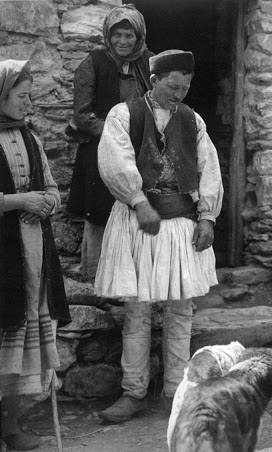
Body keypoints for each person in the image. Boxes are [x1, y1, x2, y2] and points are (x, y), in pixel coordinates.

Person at [95, 49, 223, 423]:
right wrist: (137, 200)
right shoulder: (125, 114)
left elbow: (208, 169)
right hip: (141, 223)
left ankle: (177, 394)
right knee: (137, 311)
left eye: (184, 88)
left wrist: (207, 218)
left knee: (181, 311)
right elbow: (114, 160)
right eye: (172, 86)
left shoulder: (193, 120)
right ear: (153, 81)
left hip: (181, 225)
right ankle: (133, 392)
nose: (179, 94)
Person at [0, 59, 71, 451]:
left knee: (17, 343)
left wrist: (47, 201)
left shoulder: (29, 136)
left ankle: (11, 428)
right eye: (22, 96)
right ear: (2, 95)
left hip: (30, 254)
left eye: (30, 96)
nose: (29, 104)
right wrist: (16, 201)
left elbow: (51, 188)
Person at [67, 4, 153, 279]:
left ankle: (134, 278)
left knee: (138, 206)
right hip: (100, 149)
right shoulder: (92, 63)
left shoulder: (151, 63)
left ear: (138, 36)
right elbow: (82, 114)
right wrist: (114, 133)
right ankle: (99, 277)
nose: (123, 41)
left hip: (140, 150)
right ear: (108, 35)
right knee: (101, 210)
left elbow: (160, 105)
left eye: (129, 35)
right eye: (117, 35)